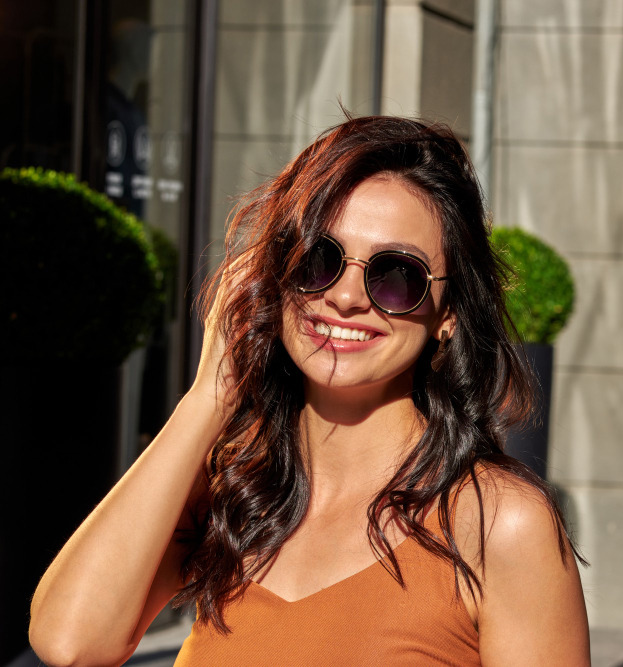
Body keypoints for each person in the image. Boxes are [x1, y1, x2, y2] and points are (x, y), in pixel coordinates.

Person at [28, 116, 590, 665]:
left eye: (397, 275)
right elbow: (69, 644)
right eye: (318, 258)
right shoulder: (235, 487)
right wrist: (209, 397)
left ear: (449, 314)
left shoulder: (499, 523)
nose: (345, 297)